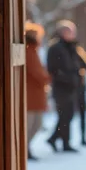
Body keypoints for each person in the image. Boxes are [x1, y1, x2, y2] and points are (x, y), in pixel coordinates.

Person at [46, 20, 82, 153]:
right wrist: (67, 79)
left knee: (68, 115)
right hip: (61, 87)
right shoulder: (55, 48)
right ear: (62, 33)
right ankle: (63, 142)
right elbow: (53, 69)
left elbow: (81, 63)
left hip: (70, 87)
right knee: (65, 115)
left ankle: (55, 138)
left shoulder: (71, 47)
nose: (72, 34)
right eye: (69, 32)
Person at [25, 23, 51, 161]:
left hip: (35, 94)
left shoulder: (33, 50)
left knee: (36, 124)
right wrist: (48, 78)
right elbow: (37, 72)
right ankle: (25, 149)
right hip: (31, 94)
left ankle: (26, 148)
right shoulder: (29, 51)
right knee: (31, 125)